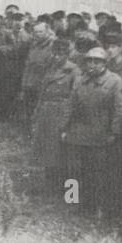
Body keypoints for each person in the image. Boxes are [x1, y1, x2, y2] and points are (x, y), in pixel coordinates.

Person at [62, 47, 122, 218]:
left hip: (100, 134)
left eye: (97, 61)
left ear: (105, 63)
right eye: (89, 61)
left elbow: (119, 110)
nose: (92, 65)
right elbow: (70, 105)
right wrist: (64, 128)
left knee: (98, 173)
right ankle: (72, 202)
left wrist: (114, 132)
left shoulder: (114, 81)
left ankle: (99, 206)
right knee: (73, 172)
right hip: (77, 132)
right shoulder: (79, 79)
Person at [32, 38, 80, 194]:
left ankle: (65, 187)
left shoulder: (74, 70)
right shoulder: (50, 67)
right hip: (46, 111)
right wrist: (37, 110)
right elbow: (43, 91)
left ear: (67, 54)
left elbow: (75, 96)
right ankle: (49, 180)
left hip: (61, 112)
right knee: (45, 147)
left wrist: (68, 118)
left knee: (59, 149)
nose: (57, 57)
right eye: (55, 53)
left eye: (61, 54)